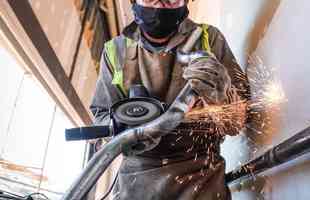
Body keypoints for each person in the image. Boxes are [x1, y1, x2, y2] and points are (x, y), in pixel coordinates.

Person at [90, 0, 250, 199]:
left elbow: (237, 121)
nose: (159, 5)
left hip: (202, 179)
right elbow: (101, 115)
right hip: (136, 182)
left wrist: (221, 95)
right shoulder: (115, 50)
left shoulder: (209, 38)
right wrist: (119, 128)